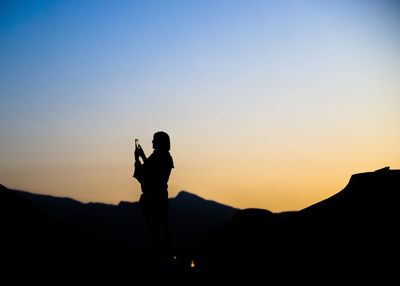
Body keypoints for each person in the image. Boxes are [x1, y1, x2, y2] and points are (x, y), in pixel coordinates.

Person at [133, 131, 174, 270]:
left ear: (160, 142)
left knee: (155, 234)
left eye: (154, 140)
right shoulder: (164, 157)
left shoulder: (160, 157)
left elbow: (147, 175)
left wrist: (138, 160)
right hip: (159, 199)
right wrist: (142, 157)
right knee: (159, 232)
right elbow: (150, 170)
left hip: (155, 200)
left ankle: (160, 263)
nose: (152, 142)